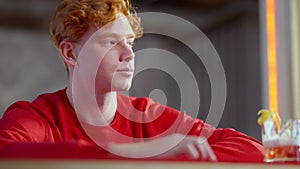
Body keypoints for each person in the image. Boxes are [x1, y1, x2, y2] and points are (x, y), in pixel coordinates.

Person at [0, 0, 263, 162]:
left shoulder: (146, 115)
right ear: (71, 53)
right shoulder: (36, 118)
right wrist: (139, 153)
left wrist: (172, 155)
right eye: (111, 42)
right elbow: (4, 151)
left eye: (130, 42)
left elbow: (253, 150)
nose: (128, 54)